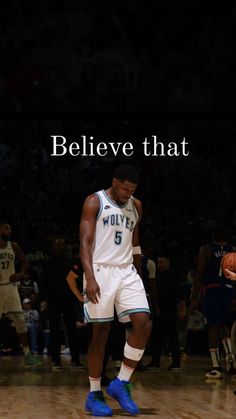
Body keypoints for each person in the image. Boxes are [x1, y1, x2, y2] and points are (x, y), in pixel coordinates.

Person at [80, 164, 152, 416]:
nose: (127, 194)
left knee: (143, 323)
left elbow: (135, 245)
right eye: (124, 189)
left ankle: (121, 383)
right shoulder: (94, 201)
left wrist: (139, 276)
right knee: (100, 332)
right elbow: (85, 242)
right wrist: (89, 277)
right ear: (114, 182)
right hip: (99, 270)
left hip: (126, 271)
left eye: (132, 190)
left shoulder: (137, 206)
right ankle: (94, 394)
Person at [190, 225, 236, 379]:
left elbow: (199, 273)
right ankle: (230, 357)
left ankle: (216, 367)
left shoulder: (206, 249)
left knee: (212, 327)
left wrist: (194, 298)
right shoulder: (233, 249)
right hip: (229, 289)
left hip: (212, 289)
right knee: (224, 325)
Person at [0, 222, 41, 366]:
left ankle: (28, 354)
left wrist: (20, 274)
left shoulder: (14, 246)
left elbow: (25, 261)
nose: (9, 231)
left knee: (20, 321)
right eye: (6, 228)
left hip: (10, 287)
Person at [40, 237, 83, 371]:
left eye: (62, 244)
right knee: (54, 331)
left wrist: (79, 299)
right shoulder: (48, 264)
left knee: (72, 331)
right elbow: (43, 283)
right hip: (53, 302)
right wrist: (44, 300)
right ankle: (55, 361)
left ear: (65, 247)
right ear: (53, 247)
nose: (59, 247)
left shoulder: (72, 262)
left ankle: (75, 360)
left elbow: (78, 282)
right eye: (57, 244)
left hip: (69, 301)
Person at [146, 254, 186, 371]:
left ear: (168, 262)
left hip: (170, 310)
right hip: (158, 311)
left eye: (161, 262)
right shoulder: (155, 276)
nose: (159, 265)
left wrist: (182, 310)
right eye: (158, 262)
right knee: (156, 337)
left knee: (173, 337)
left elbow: (181, 296)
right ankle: (155, 362)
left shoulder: (174, 276)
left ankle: (176, 363)